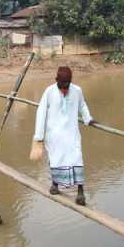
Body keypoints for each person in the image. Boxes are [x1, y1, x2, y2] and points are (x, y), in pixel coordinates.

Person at [30, 66, 96, 206]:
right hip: (54, 135)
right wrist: (39, 136)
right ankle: (55, 185)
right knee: (55, 159)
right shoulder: (49, 92)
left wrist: (88, 119)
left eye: (68, 85)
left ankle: (80, 193)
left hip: (72, 133)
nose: (65, 88)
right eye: (62, 85)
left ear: (70, 81)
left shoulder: (77, 91)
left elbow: (82, 106)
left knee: (77, 159)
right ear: (56, 80)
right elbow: (41, 112)